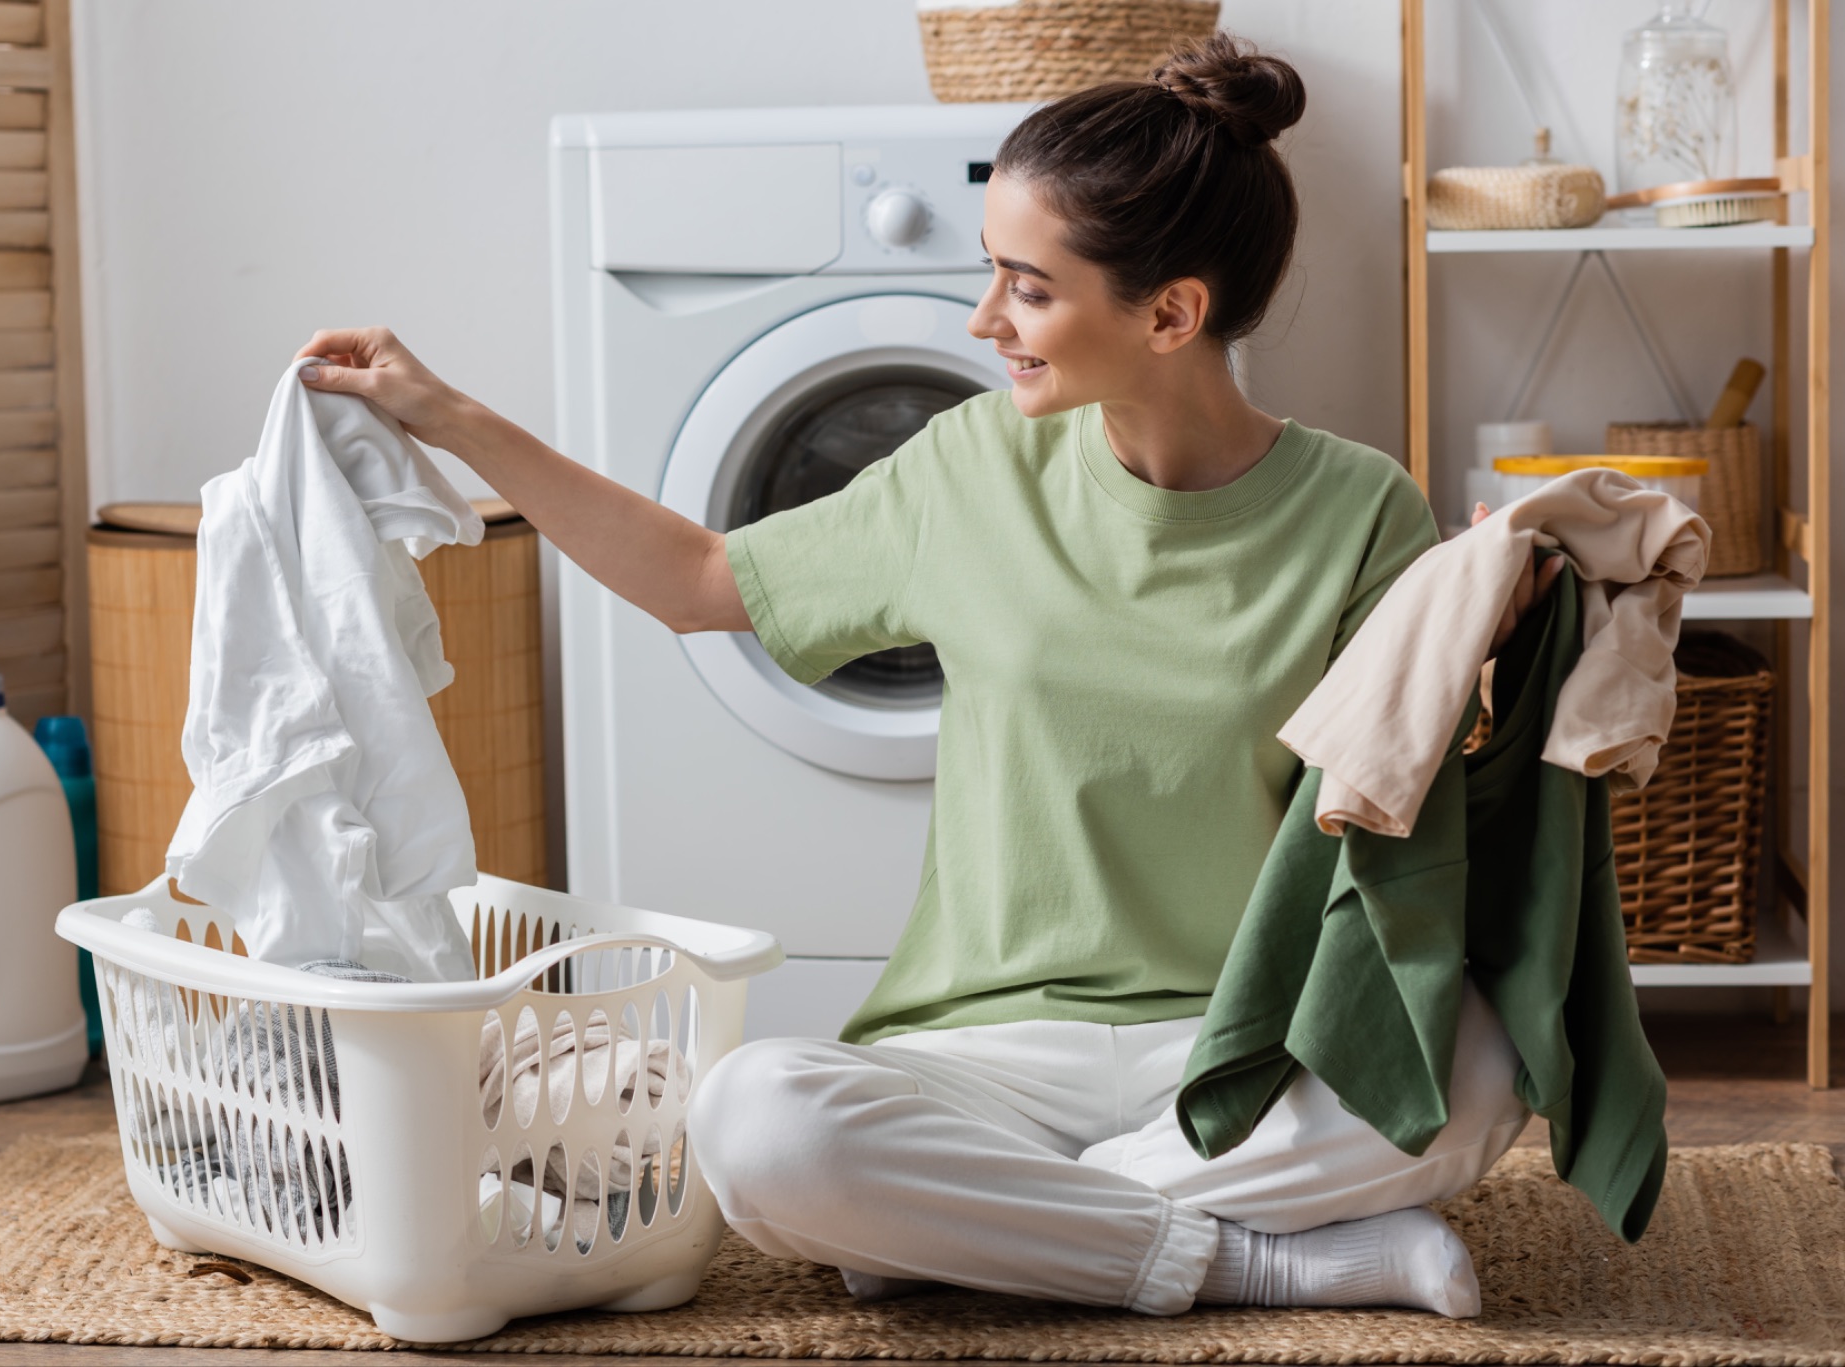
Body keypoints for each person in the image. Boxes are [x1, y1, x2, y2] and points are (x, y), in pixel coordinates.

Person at [296, 32, 1560, 1320]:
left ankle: (975, 1224)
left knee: (1486, 1058)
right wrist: (448, 415)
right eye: (989, 275)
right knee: (763, 1123)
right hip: (989, 1053)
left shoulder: (1359, 509)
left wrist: (1488, 633)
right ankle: (1255, 1257)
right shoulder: (967, 469)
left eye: (1027, 286)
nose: (982, 320)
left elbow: (1403, 794)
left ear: (1170, 313)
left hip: (1248, 1038)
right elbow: (695, 579)